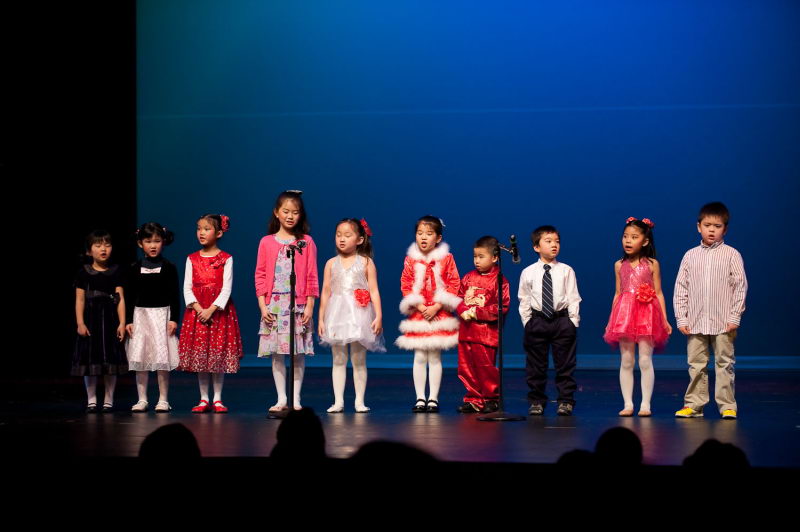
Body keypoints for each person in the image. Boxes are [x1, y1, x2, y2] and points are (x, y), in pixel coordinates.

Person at [674, 202, 747, 419]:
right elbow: (681, 287)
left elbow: (740, 286)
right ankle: (694, 405)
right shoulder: (690, 255)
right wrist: (681, 318)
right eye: (707, 225)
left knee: (725, 363)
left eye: (717, 226)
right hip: (696, 321)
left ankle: (727, 406)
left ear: (725, 229)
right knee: (696, 364)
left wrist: (734, 316)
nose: (712, 230)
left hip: (723, 321)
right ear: (699, 227)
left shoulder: (731, 254)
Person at [255, 190, 319, 413]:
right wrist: (263, 305)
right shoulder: (266, 242)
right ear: (277, 212)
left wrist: (310, 305)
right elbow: (260, 274)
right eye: (286, 211)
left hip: (297, 304)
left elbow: (311, 274)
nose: (290, 216)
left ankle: (296, 398)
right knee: (277, 353)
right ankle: (281, 398)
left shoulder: (306, 242)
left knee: (297, 353)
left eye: (295, 212)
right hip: (274, 304)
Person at [603, 217, 672, 417]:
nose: (628, 240)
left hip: (646, 314)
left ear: (645, 241)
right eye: (625, 236)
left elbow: (658, 292)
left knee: (644, 360)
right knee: (626, 360)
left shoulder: (652, 264)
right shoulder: (619, 265)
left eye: (634, 237)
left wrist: (664, 319)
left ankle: (645, 404)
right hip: (625, 314)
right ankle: (628, 404)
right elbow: (618, 293)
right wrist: (611, 320)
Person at [177, 213, 243, 413]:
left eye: (206, 229)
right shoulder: (192, 258)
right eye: (199, 229)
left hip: (218, 313)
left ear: (219, 233)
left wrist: (211, 310)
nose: (201, 233)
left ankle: (218, 398)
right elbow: (187, 288)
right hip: (197, 313)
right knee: (201, 354)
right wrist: (199, 310)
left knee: (217, 354)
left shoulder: (226, 258)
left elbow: (226, 288)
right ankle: (204, 398)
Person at [318, 218, 385, 413]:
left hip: (359, 314)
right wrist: (321, 318)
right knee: (338, 359)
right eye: (338, 235)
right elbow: (325, 292)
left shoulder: (366, 262)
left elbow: (374, 291)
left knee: (358, 359)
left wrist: (378, 315)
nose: (342, 239)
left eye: (347, 235)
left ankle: (359, 401)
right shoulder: (331, 263)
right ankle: (338, 401)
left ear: (359, 239)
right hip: (336, 314)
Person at [395, 215, 461, 413]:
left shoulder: (447, 258)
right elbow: (406, 284)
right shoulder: (411, 259)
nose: (423, 237)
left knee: (434, 357)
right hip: (419, 313)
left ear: (438, 238)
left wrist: (437, 305)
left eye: (429, 233)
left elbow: (454, 283)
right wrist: (420, 306)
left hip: (439, 313)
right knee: (419, 356)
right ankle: (420, 398)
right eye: (420, 233)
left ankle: (433, 398)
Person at [518, 225, 581, 416]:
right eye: (548, 241)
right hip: (537, 321)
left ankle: (566, 400)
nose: (554, 245)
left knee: (565, 364)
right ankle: (536, 400)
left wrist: (572, 321)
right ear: (536, 247)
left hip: (561, 321)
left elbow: (573, 297)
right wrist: (528, 322)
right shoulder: (528, 272)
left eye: (557, 241)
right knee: (536, 365)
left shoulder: (566, 270)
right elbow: (524, 298)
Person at [126, 222, 181, 413]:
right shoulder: (134, 267)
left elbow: (174, 295)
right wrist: (129, 320)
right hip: (140, 316)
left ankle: (163, 399)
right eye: (148, 241)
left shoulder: (169, 267)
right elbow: (130, 295)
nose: (153, 245)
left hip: (161, 316)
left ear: (163, 242)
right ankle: (142, 399)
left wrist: (174, 318)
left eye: (157, 241)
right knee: (140, 358)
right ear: (140, 243)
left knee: (161, 359)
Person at [72, 230, 127, 413]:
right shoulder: (83, 273)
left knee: (110, 360)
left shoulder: (116, 271)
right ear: (89, 251)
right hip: (91, 320)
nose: (103, 249)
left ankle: (108, 400)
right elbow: (79, 299)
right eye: (98, 245)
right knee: (90, 359)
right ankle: (92, 399)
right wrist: (80, 323)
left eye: (107, 245)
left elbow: (120, 299)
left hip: (110, 320)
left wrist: (122, 323)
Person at [455, 236, 510, 414]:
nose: (477, 261)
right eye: (475, 256)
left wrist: (476, 312)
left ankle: (491, 399)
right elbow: (458, 297)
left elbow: (501, 307)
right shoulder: (468, 277)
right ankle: (473, 399)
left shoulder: (499, 280)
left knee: (485, 368)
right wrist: (462, 309)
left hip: (485, 335)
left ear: (494, 258)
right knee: (467, 368)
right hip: (466, 332)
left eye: (481, 256)